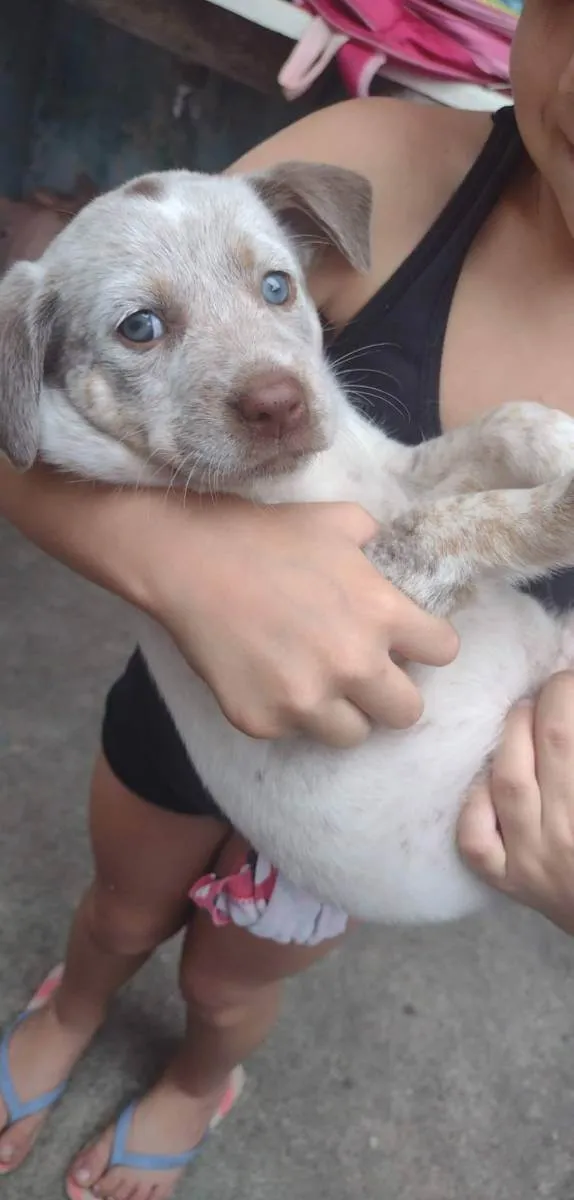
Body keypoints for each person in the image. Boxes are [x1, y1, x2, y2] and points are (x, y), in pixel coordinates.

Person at [3, 0, 574, 1194]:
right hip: (178, 721)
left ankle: (198, 1076)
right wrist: (183, 560)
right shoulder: (384, 162)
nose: (268, 381)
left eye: (276, 294)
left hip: (351, 819)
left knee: (227, 984)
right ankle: (69, 1011)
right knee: (115, 908)